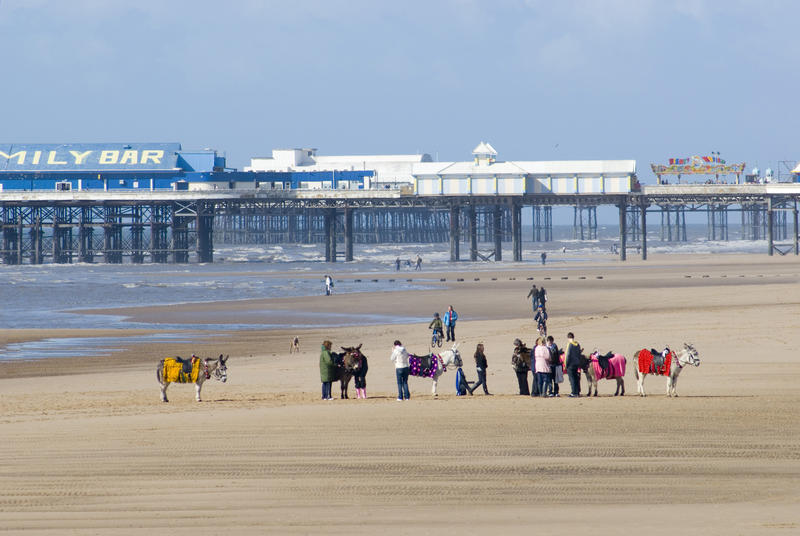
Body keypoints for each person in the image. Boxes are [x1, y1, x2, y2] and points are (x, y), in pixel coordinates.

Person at [564, 332, 583, 397]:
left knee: (572, 379)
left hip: (570, 364)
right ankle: (577, 392)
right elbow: (579, 354)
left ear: (568, 338)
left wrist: (566, 364)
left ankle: (573, 392)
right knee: (576, 378)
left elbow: (567, 355)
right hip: (576, 363)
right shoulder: (577, 344)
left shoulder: (570, 344)